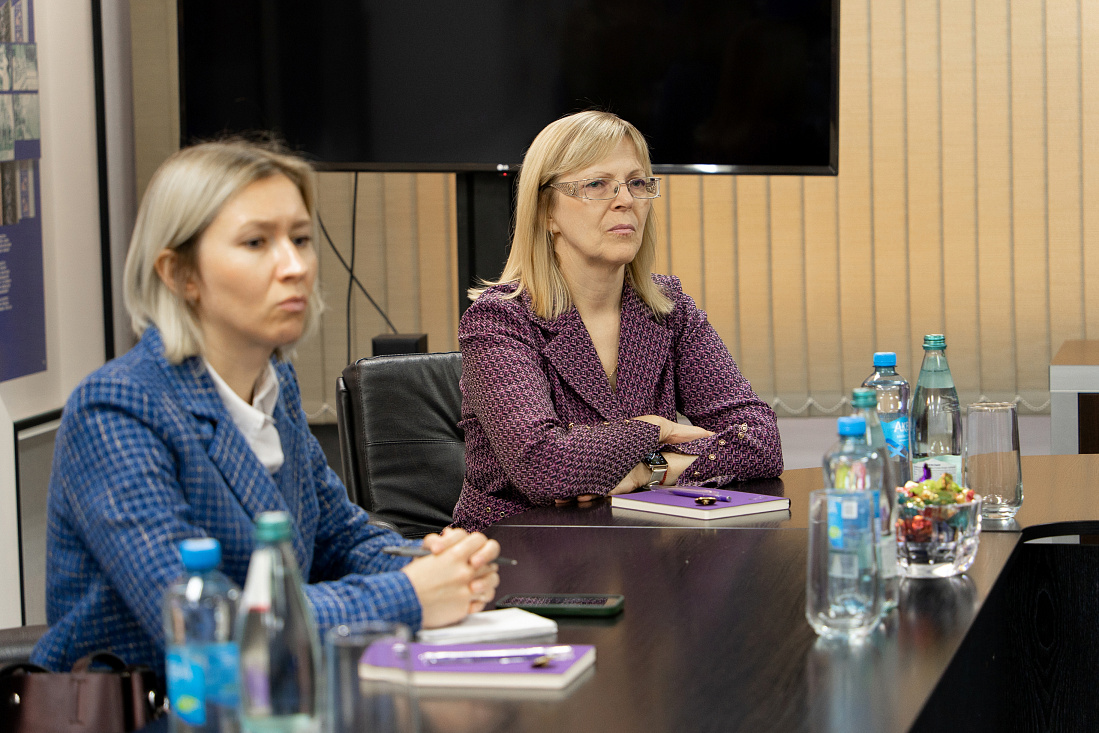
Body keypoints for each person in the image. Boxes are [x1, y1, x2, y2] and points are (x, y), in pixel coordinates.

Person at [31, 140, 500, 674]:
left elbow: (339, 537)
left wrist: (440, 565)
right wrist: (410, 595)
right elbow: (208, 628)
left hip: (278, 696)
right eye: (256, 242)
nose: (294, 265)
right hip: (158, 706)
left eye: (300, 239)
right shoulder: (116, 410)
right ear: (179, 273)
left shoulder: (276, 385)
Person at [452, 111, 783, 532]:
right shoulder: (499, 320)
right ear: (546, 212)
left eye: (637, 183)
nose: (626, 199)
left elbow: (760, 439)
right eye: (597, 184)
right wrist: (653, 429)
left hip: (637, 547)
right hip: (516, 551)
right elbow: (544, 465)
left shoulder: (668, 309)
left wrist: (651, 470)